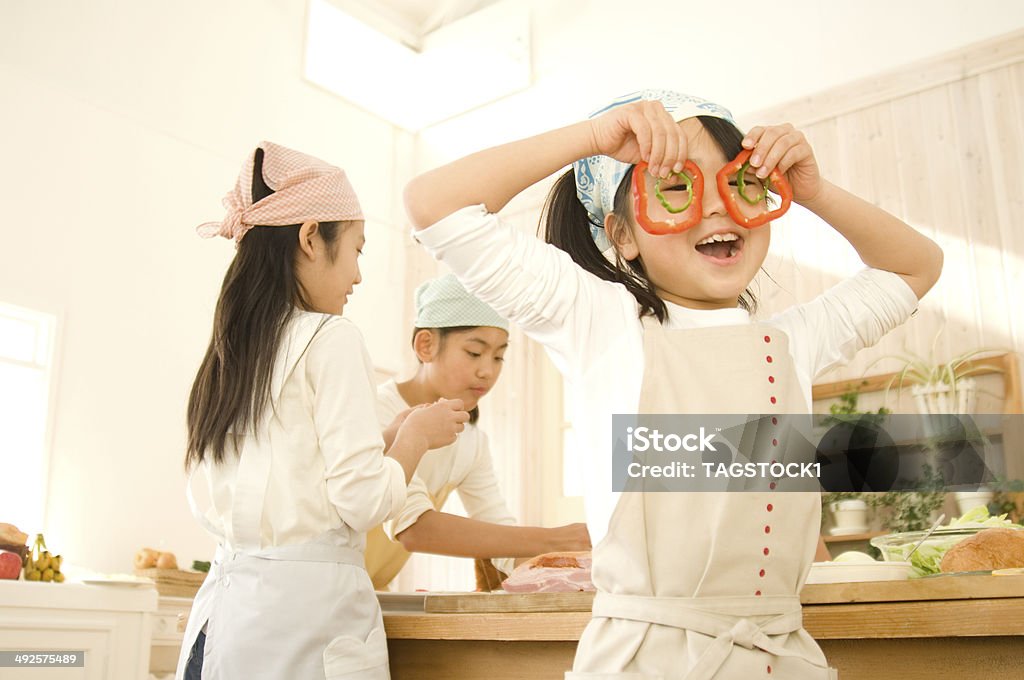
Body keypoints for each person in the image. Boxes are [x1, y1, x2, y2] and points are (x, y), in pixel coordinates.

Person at [402, 90, 943, 678]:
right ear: (623, 235)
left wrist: (813, 191)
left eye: (741, 184)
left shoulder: (793, 341)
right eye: (677, 186)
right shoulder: (597, 321)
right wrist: (594, 137)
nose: (718, 209)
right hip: (651, 659)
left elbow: (916, 264)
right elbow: (434, 203)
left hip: (783, 655)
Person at [177, 141, 468, 680]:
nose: (358, 276)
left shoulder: (230, 352)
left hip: (223, 627)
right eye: (358, 250)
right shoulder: (330, 337)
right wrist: (416, 439)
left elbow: (296, 475)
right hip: (301, 630)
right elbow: (360, 501)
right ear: (311, 237)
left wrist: (387, 437)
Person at [366, 273, 591, 590]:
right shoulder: (375, 411)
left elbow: (499, 533)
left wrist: (567, 564)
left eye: (499, 356)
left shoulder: (471, 442)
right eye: (474, 352)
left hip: (366, 598)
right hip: (314, 592)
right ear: (426, 345)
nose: (488, 371)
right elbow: (415, 528)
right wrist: (556, 538)